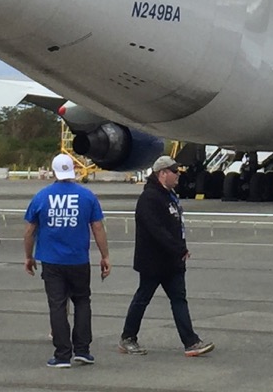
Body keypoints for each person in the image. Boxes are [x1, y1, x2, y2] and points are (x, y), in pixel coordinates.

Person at [118, 155, 214, 356]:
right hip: (153, 261)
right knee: (143, 297)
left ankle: (191, 342)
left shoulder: (170, 196)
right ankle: (128, 337)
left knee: (179, 299)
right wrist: (178, 248)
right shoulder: (149, 198)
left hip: (173, 261)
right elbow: (157, 230)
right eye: (174, 171)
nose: (178, 175)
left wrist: (180, 249)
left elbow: (175, 226)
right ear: (162, 174)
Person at [24, 153, 112, 368]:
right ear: (72, 170)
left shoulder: (42, 196)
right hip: (78, 259)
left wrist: (29, 256)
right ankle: (82, 350)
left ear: (54, 171)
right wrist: (105, 255)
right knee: (82, 302)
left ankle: (62, 354)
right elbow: (98, 227)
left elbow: (30, 230)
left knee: (57, 305)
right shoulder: (87, 196)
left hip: (51, 260)